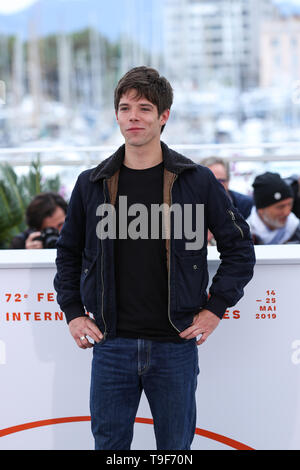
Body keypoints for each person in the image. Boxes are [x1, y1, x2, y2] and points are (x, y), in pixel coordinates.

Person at [53, 66, 255, 450]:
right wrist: (74, 312)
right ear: (115, 114)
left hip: (174, 345)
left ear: (163, 117)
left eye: (144, 108)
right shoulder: (91, 183)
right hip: (112, 343)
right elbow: (68, 253)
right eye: (125, 107)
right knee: (110, 447)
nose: (133, 116)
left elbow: (240, 249)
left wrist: (216, 309)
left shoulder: (196, 181)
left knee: (175, 450)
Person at [247, 171, 300, 245]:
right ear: (261, 210)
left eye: (290, 204)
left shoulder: (295, 228)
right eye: (280, 207)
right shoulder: (244, 236)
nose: (287, 212)